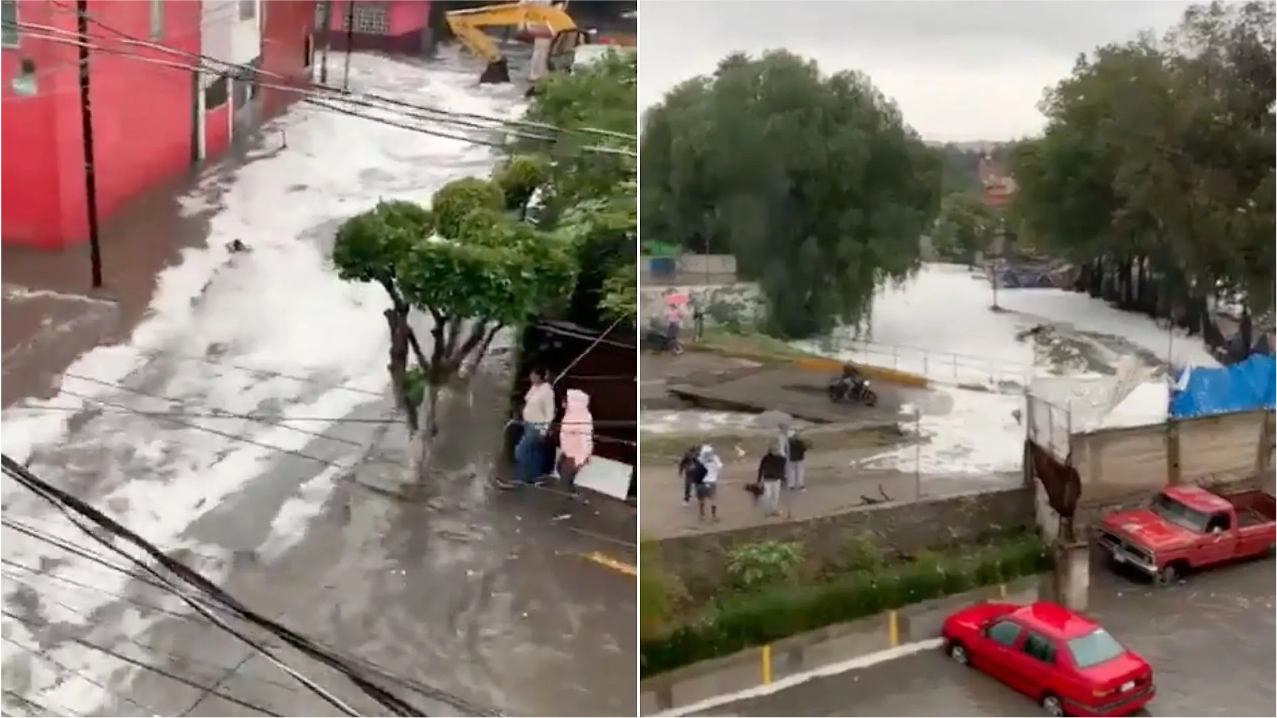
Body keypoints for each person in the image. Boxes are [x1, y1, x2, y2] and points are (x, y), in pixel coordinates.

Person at [515, 368, 555, 485]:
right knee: (533, 453)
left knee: (521, 450)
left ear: (539, 376)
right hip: (528, 424)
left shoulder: (547, 391)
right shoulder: (534, 387)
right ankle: (533, 477)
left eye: (533, 375)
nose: (531, 378)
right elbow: (528, 400)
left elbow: (550, 412)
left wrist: (544, 429)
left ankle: (521, 478)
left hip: (537, 426)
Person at [557, 389, 593, 492]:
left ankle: (564, 501)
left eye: (566, 401)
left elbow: (586, 438)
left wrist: (583, 456)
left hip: (575, 454)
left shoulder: (583, 417)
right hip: (567, 451)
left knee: (565, 478)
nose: (563, 403)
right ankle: (569, 495)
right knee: (561, 471)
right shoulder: (569, 414)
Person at [756, 445, 787, 516]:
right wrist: (758, 480)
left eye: (776, 450)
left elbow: (784, 467)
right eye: (773, 450)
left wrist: (783, 478)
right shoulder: (766, 458)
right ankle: (767, 510)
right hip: (768, 479)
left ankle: (774, 509)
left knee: (775, 496)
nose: (775, 451)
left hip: (776, 479)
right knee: (767, 495)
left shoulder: (780, 458)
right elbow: (761, 469)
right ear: (770, 450)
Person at [694, 444, 722, 521]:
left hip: (701, 482)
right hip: (711, 482)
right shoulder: (715, 459)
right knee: (713, 500)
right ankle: (714, 516)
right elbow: (720, 466)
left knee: (701, 500)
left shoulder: (700, 459)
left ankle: (702, 515)